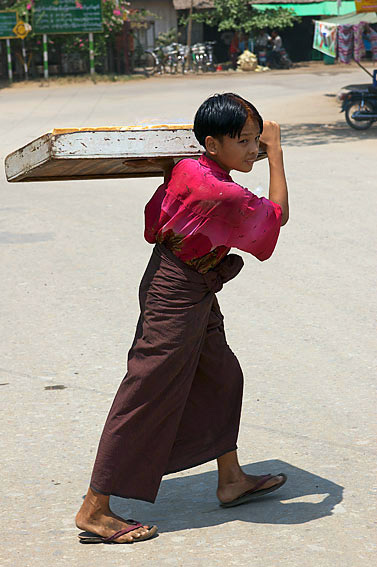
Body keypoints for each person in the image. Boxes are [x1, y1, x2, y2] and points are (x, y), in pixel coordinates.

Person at [75, 93, 289, 544]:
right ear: (211, 144)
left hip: (189, 283)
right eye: (245, 142)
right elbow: (275, 218)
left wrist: (251, 146)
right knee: (146, 390)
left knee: (222, 377)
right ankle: (95, 508)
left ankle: (230, 479)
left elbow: (155, 217)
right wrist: (278, 153)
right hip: (176, 293)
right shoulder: (221, 190)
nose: (254, 149)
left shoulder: (189, 167)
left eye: (257, 140)